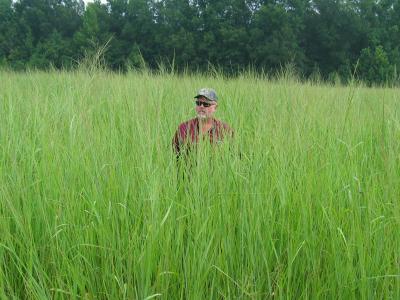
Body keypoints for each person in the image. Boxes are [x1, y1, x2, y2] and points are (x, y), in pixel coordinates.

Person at [172, 88, 233, 159]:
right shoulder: (184, 128)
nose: (201, 106)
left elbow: (234, 157)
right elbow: (174, 155)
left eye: (206, 104)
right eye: (198, 103)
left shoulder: (225, 130)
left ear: (215, 107)